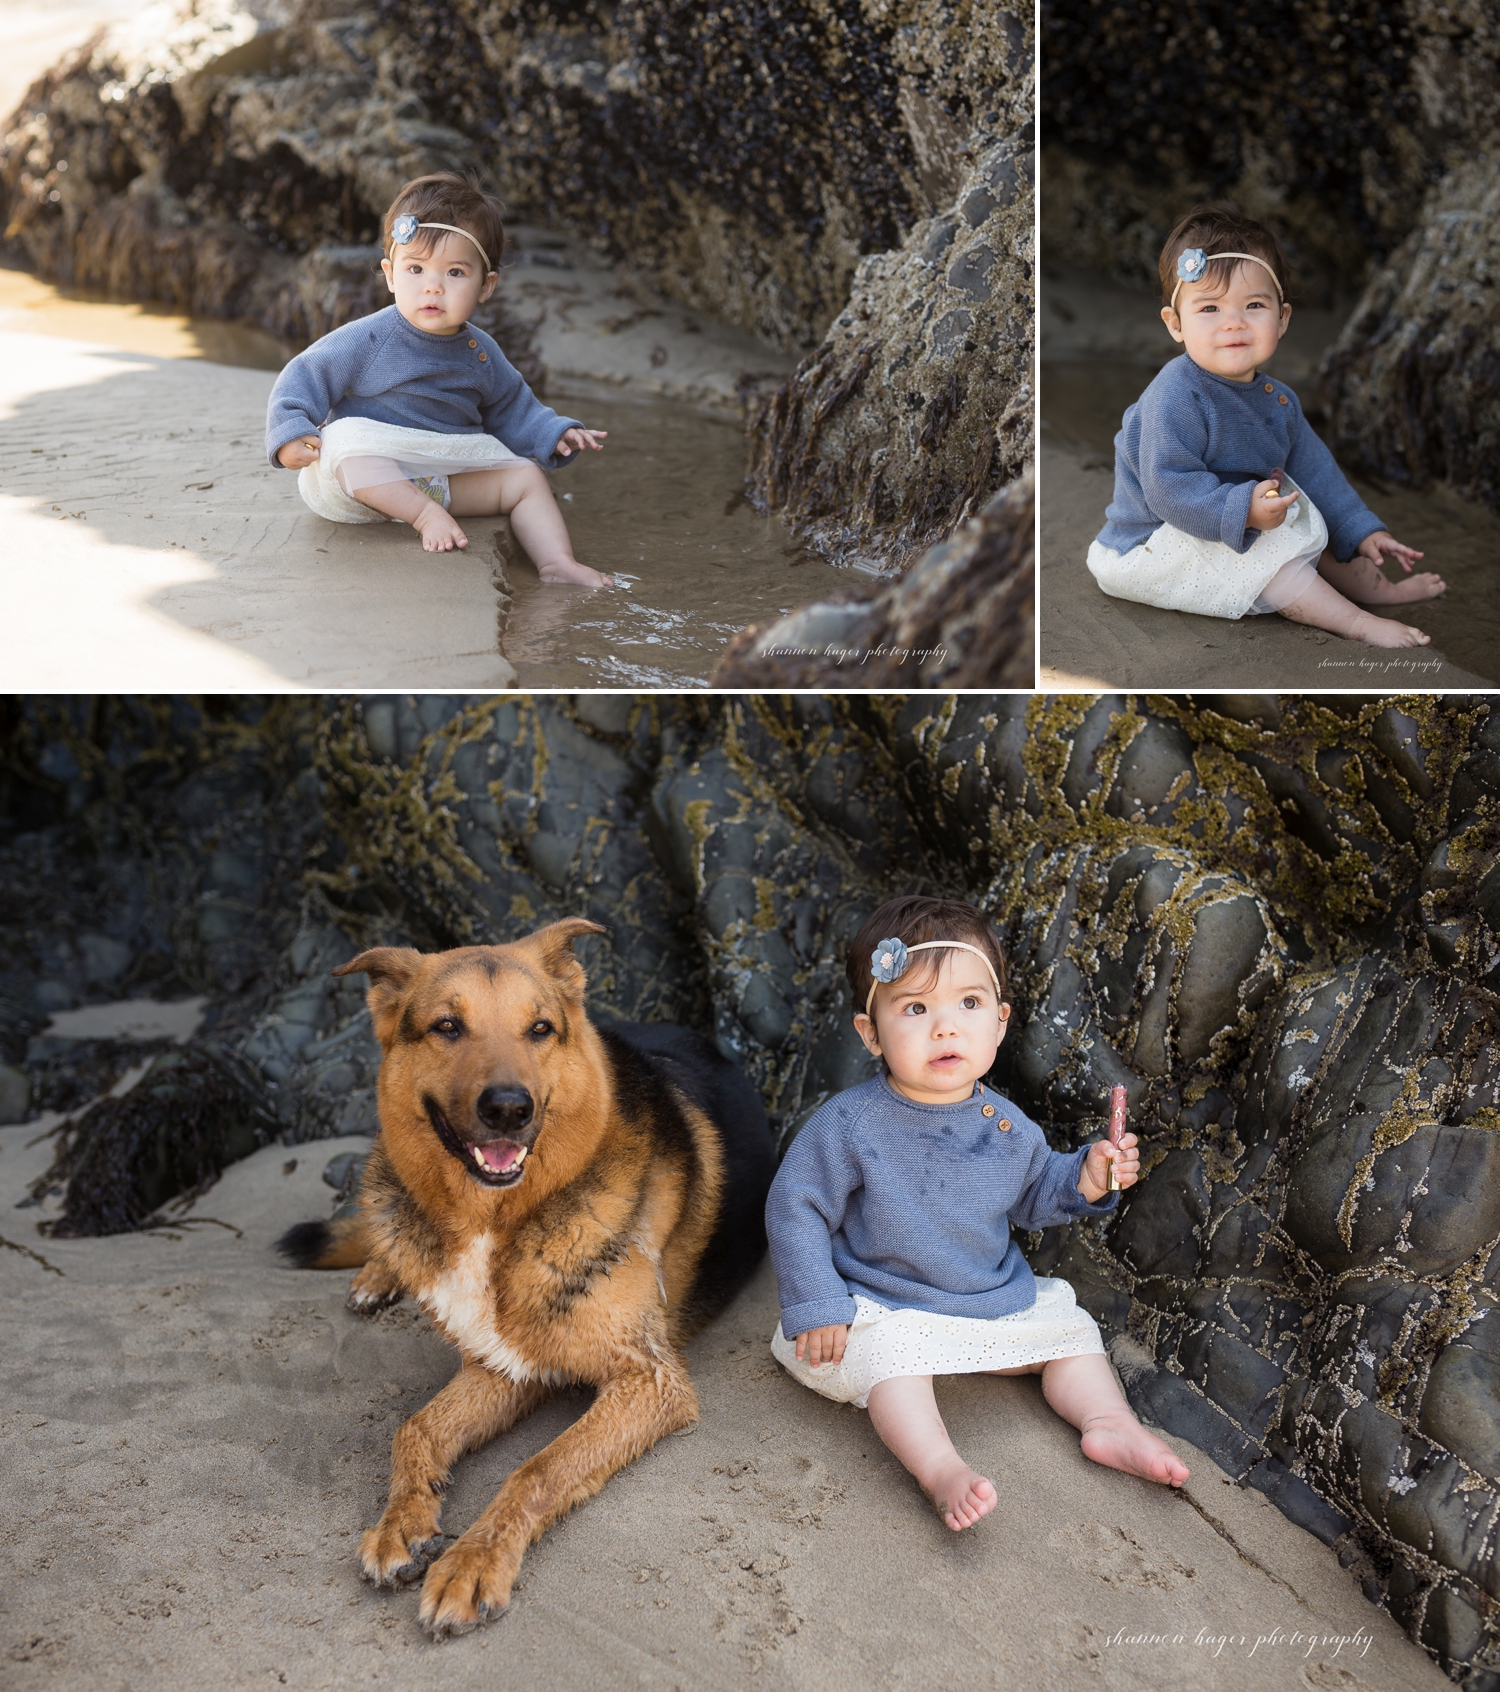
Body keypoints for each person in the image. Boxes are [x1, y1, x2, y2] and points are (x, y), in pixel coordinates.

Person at [766, 895, 1190, 1533]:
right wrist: (818, 1302)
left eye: (969, 1004)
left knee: (1072, 1331)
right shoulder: (850, 1124)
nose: (945, 1027)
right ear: (870, 1033)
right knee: (893, 1363)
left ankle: (1110, 1425)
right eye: (915, 1008)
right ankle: (939, 1467)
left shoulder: (1004, 1124)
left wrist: (1088, 1174)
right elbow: (794, 1205)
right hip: (888, 1301)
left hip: (988, 1299)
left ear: (999, 1022)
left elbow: (1035, 1190)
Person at [1086, 203, 1444, 648]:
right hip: (1155, 541)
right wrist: (1244, 511)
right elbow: (1167, 488)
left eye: (1254, 304)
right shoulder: (1175, 395)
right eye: (1210, 308)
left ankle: (1380, 591)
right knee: (1272, 552)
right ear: (1175, 324)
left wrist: (1362, 529)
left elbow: (1317, 471)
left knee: (1310, 513)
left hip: (1233, 517)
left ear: (1283, 318)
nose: (1234, 321)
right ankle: (1355, 623)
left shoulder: (1280, 401)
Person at [264, 172, 611, 586]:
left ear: (487, 285)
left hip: (442, 479)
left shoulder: (480, 353)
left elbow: (513, 407)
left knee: (528, 478)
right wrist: (289, 433)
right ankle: (424, 515)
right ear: (391, 275)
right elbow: (304, 374)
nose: (433, 287)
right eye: (416, 269)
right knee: (341, 439)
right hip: (366, 485)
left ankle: (557, 563)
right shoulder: (369, 337)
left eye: (455, 273)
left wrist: (552, 432)